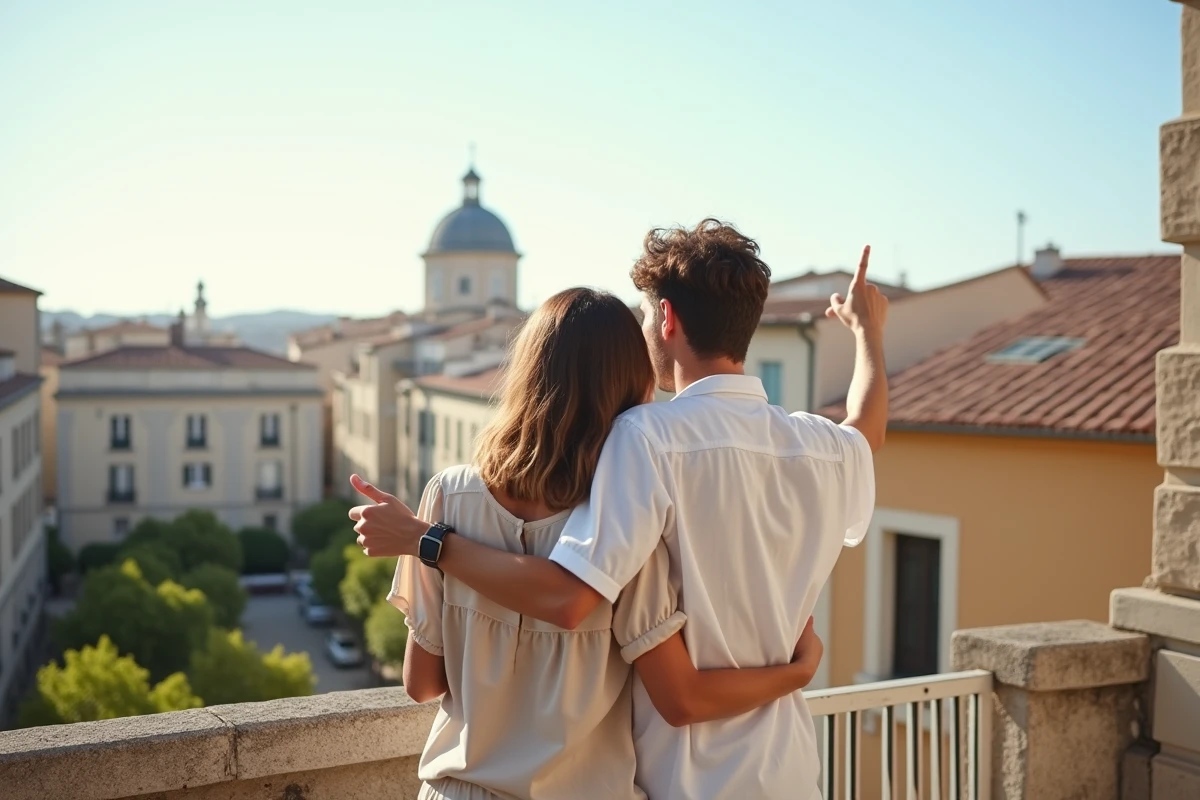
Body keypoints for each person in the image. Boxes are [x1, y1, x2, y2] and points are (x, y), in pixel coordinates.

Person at [353, 220, 888, 800]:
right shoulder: (821, 446)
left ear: (666, 319)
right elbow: (867, 428)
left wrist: (424, 540)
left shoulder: (642, 439)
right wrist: (867, 336)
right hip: (787, 772)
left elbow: (561, 603)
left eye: (643, 317)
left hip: (677, 782)